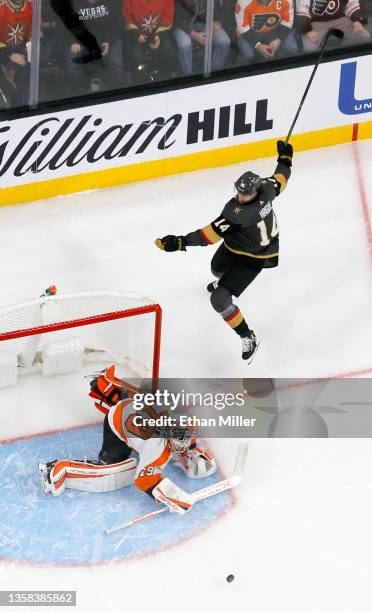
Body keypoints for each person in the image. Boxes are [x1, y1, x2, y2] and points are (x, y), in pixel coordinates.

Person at [155, 140, 293, 363]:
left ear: (255, 193)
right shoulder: (267, 189)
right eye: (239, 193)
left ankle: (247, 335)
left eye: (245, 195)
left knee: (218, 299)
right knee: (216, 268)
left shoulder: (241, 215)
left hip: (254, 256)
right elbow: (281, 179)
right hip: (238, 243)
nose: (240, 198)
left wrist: (180, 242)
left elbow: (207, 236)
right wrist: (285, 158)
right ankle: (226, 281)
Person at [38, 365, 216, 514]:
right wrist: (173, 496)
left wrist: (191, 448)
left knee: (145, 398)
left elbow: (182, 427)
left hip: (133, 407)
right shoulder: (157, 450)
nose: (184, 442)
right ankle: (56, 468)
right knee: (113, 471)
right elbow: (143, 480)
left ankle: (106, 384)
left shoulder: (178, 417)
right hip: (117, 425)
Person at [121, 0, 175, 84]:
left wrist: (158, 37)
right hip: (137, 36)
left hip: (159, 35)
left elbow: (168, 18)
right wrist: (137, 35)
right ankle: (138, 85)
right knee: (135, 57)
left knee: (168, 51)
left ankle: (166, 82)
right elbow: (127, 19)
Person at [173, 0, 231, 75]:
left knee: (224, 41)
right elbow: (176, 18)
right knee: (184, 46)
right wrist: (194, 34)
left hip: (206, 23)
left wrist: (219, 22)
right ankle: (188, 78)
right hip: (183, 26)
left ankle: (214, 75)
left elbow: (224, 6)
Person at [296, 0, 370, 51]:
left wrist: (357, 20)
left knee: (364, 36)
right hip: (315, 24)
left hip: (340, 20)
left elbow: (351, 4)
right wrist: (308, 30)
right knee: (309, 48)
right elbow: (301, 9)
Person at [0, 0, 33, 107]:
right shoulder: (2, 8)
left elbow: (34, 32)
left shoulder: (31, 6)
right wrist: (9, 55)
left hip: (21, 51)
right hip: (4, 52)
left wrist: (32, 45)